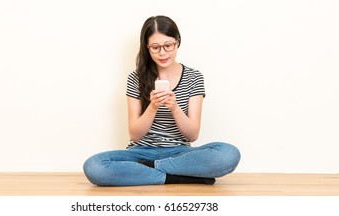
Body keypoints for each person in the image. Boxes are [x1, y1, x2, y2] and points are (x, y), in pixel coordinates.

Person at [83, 15, 240, 186]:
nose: (163, 53)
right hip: (140, 154)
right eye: (155, 47)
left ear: (178, 42)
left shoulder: (194, 77)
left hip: (179, 154)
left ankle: (151, 169)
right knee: (94, 167)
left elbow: (192, 135)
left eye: (168, 46)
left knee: (228, 154)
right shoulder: (135, 78)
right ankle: (176, 177)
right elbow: (135, 134)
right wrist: (152, 107)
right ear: (147, 47)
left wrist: (174, 108)